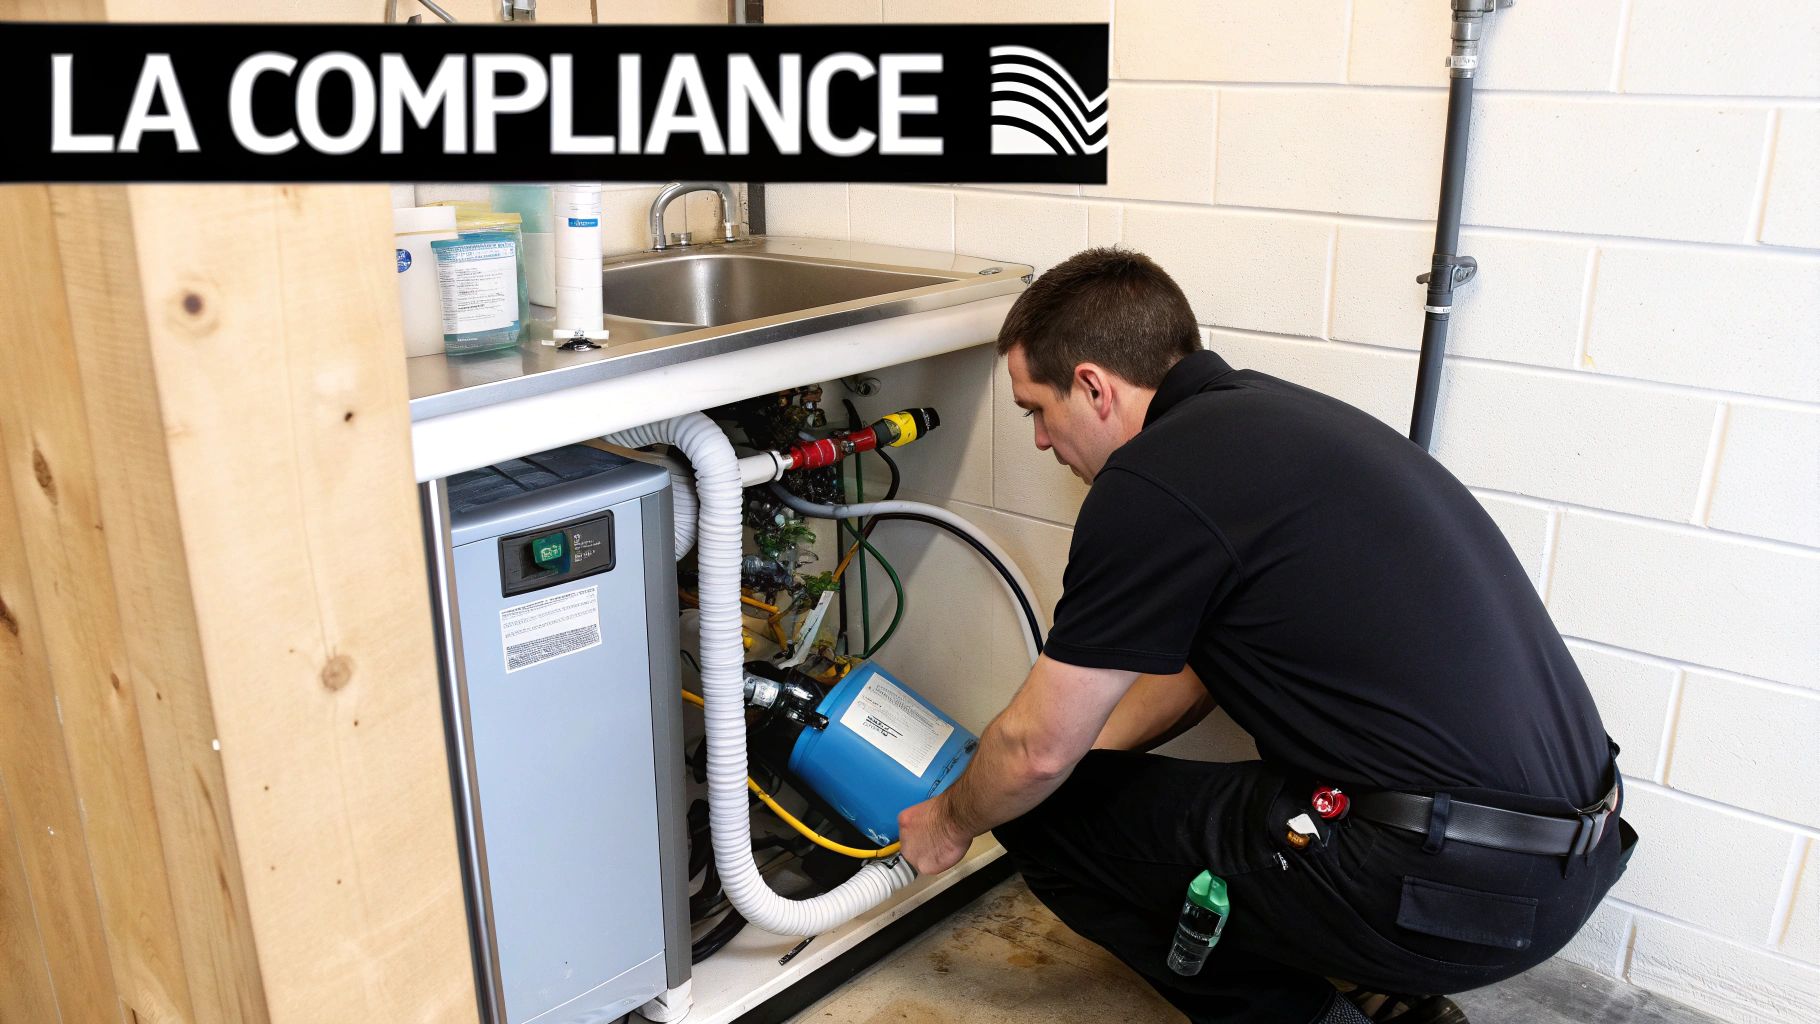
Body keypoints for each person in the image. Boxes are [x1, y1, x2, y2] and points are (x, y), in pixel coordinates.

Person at [895, 247, 1636, 1024]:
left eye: (1035, 410)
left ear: (1092, 386)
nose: (1042, 441)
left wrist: (953, 820)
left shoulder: (1149, 483)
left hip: (1438, 884)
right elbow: (1197, 673)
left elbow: (1034, 752)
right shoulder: (1279, 422)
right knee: (1069, 790)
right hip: (1566, 861)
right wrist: (1079, 759)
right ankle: (1393, 1000)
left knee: (1035, 816)